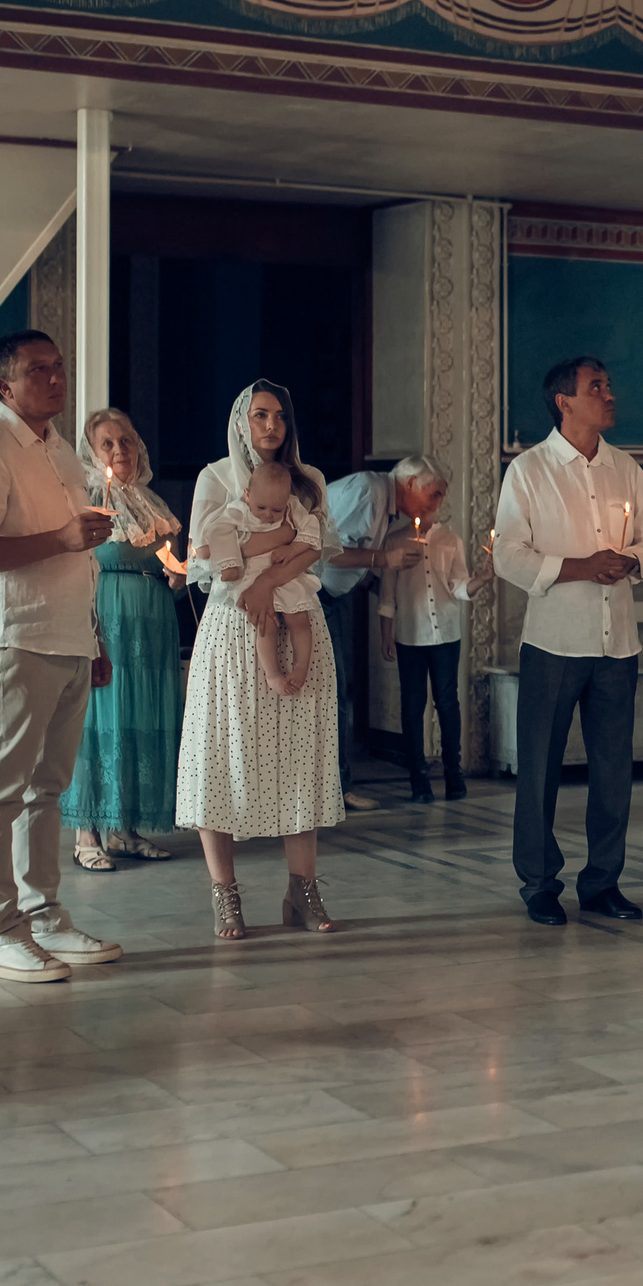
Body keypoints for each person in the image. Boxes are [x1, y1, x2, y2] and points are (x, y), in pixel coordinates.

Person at [0, 330, 124, 982]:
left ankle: (44, 914)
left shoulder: (59, 450)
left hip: (69, 634)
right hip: (17, 638)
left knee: (49, 789)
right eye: (37, 369)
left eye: (58, 367)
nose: (54, 377)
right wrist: (64, 535)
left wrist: (94, 636)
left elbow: (79, 554)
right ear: (4, 385)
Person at [492, 356, 643, 926]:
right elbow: (507, 555)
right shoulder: (530, 470)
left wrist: (632, 560)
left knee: (613, 770)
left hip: (618, 644)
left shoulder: (626, 469)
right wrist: (581, 567)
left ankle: (602, 883)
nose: (609, 394)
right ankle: (539, 883)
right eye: (597, 387)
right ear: (564, 401)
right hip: (554, 642)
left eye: (609, 385)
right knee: (539, 767)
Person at [177, 382, 344, 939]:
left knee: (300, 754)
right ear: (242, 421)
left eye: (279, 416)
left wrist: (268, 576)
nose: (271, 425)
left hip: (294, 614)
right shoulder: (215, 478)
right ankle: (225, 894)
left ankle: (302, 889)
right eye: (259, 415)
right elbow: (202, 560)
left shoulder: (310, 480)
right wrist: (266, 549)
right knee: (222, 752)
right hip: (234, 628)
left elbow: (316, 546)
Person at [65, 408, 186, 875]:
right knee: (101, 720)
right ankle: (87, 831)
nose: (120, 451)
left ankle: (124, 827)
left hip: (153, 622)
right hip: (108, 618)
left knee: (139, 719)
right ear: (91, 453)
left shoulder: (150, 502)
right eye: (108, 444)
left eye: (127, 441)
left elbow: (169, 562)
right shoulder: (83, 500)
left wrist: (179, 575)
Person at [376, 455, 488, 802]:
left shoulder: (450, 540)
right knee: (413, 705)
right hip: (410, 635)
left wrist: (480, 581)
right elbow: (387, 594)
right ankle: (417, 778)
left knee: (447, 702)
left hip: (445, 635)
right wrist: (386, 632)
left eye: (441, 495)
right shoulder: (393, 541)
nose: (437, 502)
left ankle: (453, 774)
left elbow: (458, 585)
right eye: (433, 494)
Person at [321, 460, 427, 810]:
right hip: (314, 597)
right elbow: (329, 551)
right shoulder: (369, 491)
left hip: (332, 598)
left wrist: (374, 582)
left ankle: (336, 784)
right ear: (411, 483)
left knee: (336, 691)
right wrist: (385, 558)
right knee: (332, 693)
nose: (436, 503)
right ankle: (334, 787)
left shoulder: (382, 498)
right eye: (435, 493)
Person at [205, 462, 323, 697]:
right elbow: (217, 532)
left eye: (276, 510)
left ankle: (300, 668)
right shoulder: (238, 510)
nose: (269, 515)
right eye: (262, 507)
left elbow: (312, 528)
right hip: (251, 577)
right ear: (247, 495)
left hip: (285, 573)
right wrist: (230, 563)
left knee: (300, 619)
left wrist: (293, 549)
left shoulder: (291, 508)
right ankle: (273, 674)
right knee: (265, 623)